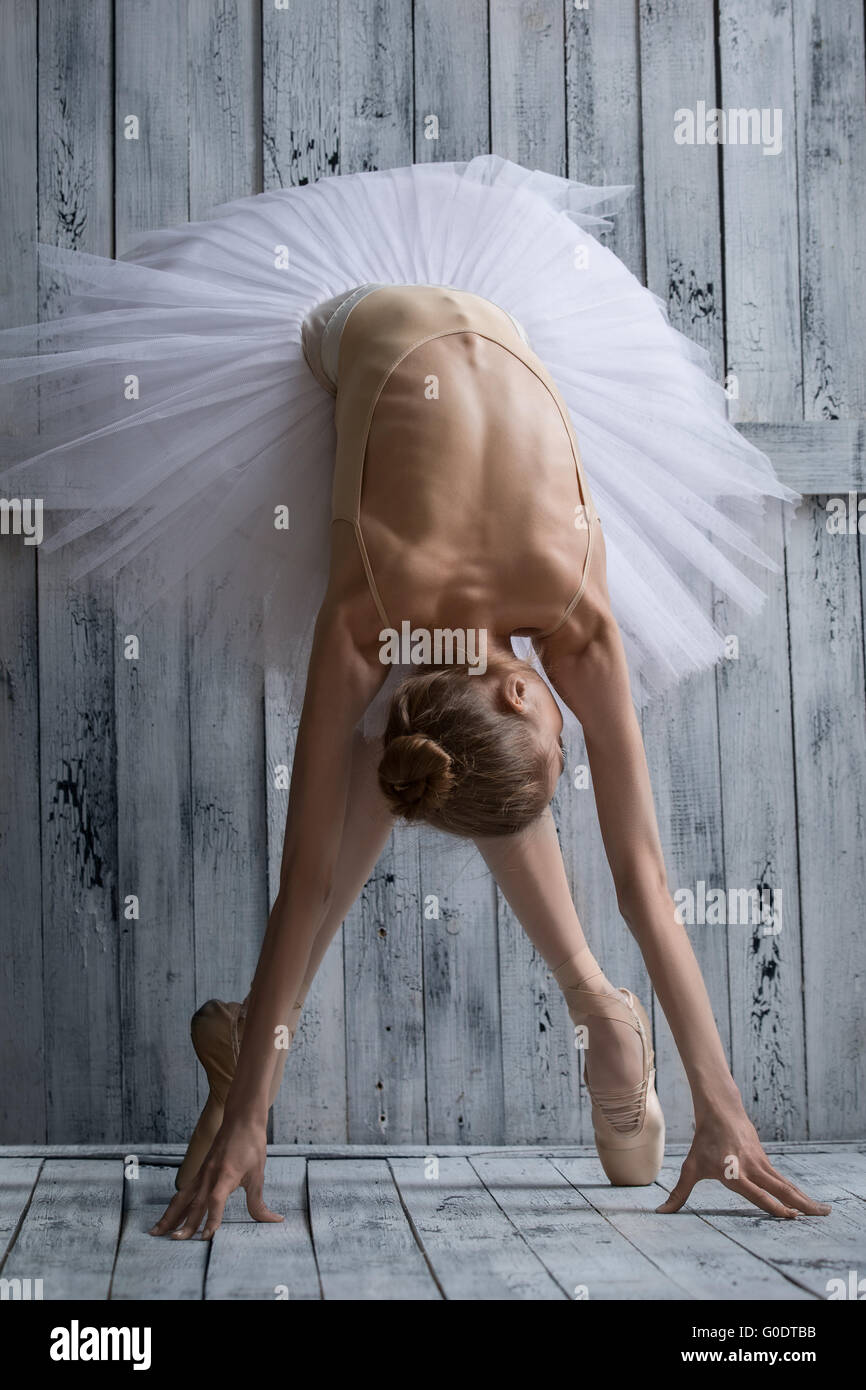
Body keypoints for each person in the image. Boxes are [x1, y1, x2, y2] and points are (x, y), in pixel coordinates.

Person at [0, 157, 829, 1239]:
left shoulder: (519, 608)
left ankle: (268, 1030)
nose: (568, 731)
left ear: (520, 693)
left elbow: (310, 881)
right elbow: (643, 880)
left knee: (389, 741)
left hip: (437, 322)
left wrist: (721, 1105)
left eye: (549, 740)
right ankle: (563, 1009)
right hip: (359, 324)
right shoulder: (439, 617)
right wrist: (253, 1104)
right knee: (387, 739)